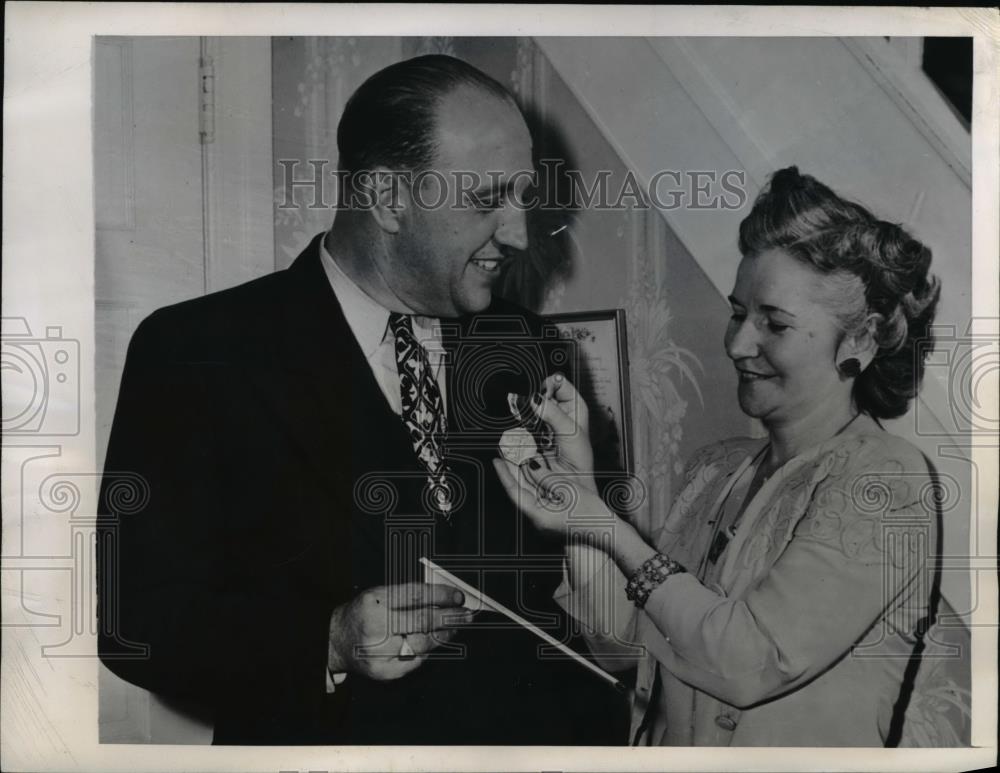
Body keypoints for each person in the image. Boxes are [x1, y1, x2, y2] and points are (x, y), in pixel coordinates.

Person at [97, 54, 623, 745]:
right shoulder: (196, 351)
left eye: (523, 196)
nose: (520, 234)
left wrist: (585, 519)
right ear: (386, 198)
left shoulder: (532, 348)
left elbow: (597, 611)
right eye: (488, 198)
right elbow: (134, 624)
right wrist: (329, 639)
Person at [495, 167, 971, 746]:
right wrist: (580, 489)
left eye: (775, 323)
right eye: (738, 313)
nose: (738, 343)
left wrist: (606, 527)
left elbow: (749, 662)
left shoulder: (885, 477)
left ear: (861, 342)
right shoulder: (715, 470)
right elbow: (619, 641)